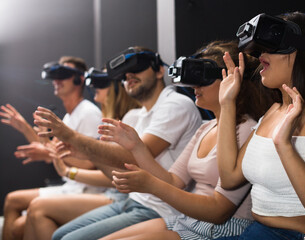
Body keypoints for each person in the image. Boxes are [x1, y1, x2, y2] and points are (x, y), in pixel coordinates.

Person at [92, 40, 270, 240]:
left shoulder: (248, 130)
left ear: (232, 80)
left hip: (219, 230)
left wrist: (150, 185)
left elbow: (218, 213)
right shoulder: (206, 128)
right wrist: (137, 147)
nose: (194, 86)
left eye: (203, 78)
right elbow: (173, 181)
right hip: (188, 220)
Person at [33, 46, 203, 239]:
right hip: (132, 200)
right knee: (59, 236)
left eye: (137, 67)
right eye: (123, 74)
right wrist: (88, 153)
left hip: (160, 209)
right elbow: (117, 172)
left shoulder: (175, 104)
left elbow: (136, 156)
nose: (129, 75)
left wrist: (73, 138)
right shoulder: (134, 115)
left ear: (159, 70)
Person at [216, 12, 305, 240]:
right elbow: (230, 178)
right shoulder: (273, 111)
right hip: (253, 231)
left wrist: (284, 145)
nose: (261, 55)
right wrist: (227, 104)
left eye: (273, 47)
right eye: (261, 49)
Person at [21, 69, 141, 240]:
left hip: (112, 194)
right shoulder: (107, 117)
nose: (57, 81)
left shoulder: (99, 116)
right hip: (107, 191)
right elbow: (63, 153)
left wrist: (71, 168)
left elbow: (114, 175)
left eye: (103, 81)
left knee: (36, 210)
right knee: (22, 212)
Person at [1, 56, 102, 240]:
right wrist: (24, 127)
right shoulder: (70, 117)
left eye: (63, 75)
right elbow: (49, 148)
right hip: (70, 186)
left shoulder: (89, 113)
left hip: (87, 190)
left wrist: (53, 153)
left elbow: (90, 164)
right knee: (12, 200)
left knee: (18, 227)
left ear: (79, 79)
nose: (56, 81)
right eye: (54, 76)